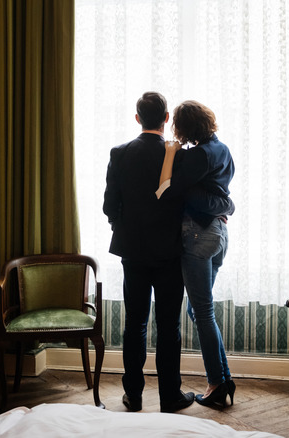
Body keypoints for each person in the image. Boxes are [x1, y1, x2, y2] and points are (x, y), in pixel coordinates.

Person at [102, 91, 195, 414]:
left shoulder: (120, 153)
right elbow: (185, 202)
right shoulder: (178, 155)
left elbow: (109, 206)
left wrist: (125, 226)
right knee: (169, 327)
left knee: (135, 324)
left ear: (138, 117)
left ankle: (134, 395)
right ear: (167, 118)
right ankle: (170, 396)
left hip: (134, 251)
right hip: (169, 252)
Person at [155, 100, 236, 408]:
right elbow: (220, 195)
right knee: (200, 311)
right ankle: (224, 378)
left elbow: (170, 190)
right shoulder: (222, 149)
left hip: (198, 235)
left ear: (184, 127)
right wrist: (227, 206)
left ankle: (216, 383)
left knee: (202, 312)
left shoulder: (197, 155)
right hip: (218, 235)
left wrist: (171, 154)